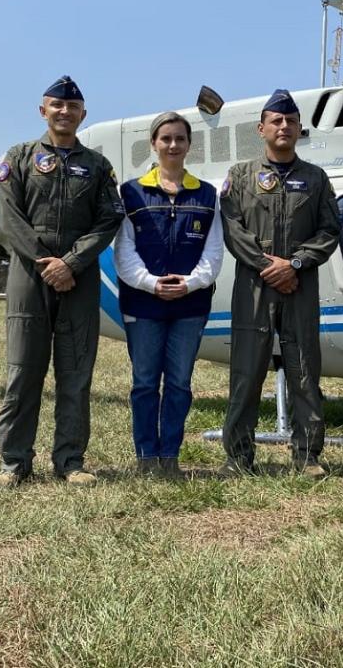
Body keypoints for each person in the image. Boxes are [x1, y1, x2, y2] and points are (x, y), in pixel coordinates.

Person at [0, 75, 125, 488]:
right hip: (29, 277)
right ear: (43, 110)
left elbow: (109, 218)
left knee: (76, 372)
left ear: (83, 114)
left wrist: (72, 262)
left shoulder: (98, 167)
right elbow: (10, 217)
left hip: (79, 279)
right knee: (23, 370)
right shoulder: (20, 157)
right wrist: (47, 263)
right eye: (56, 105)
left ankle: (71, 461)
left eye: (73, 107)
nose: (65, 112)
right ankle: (14, 463)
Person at [218, 88, 342, 477]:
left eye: (290, 120)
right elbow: (232, 227)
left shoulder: (316, 178)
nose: (284, 126)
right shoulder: (240, 175)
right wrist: (266, 265)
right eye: (276, 120)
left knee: (304, 367)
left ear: (300, 128)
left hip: (301, 284)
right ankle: (238, 457)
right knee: (246, 370)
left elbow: (329, 230)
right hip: (253, 286)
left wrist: (296, 264)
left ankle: (308, 455)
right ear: (261, 128)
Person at [114, 111, 223, 479]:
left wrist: (189, 284)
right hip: (143, 304)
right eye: (166, 139)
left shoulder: (207, 195)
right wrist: (151, 283)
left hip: (190, 305)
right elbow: (123, 252)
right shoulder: (131, 192)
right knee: (145, 382)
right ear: (154, 144)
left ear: (189, 145)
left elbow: (214, 251)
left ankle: (170, 456)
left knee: (179, 383)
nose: (173, 145)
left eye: (179, 138)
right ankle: (146, 457)